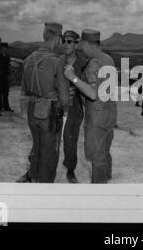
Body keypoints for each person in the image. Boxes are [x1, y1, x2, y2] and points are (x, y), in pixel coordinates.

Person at [63, 29, 116, 184]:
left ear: (87, 43)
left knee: (97, 158)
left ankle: (99, 191)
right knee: (105, 152)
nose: (81, 48)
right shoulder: (108, 59)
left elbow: (93, 94)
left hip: (97, 117)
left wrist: (73, 78)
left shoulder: (93, 63)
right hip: (110, 114)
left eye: (81, 44)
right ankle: (107, 177)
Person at [19, 22, 70, 183]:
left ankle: (33, 177)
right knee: (50, 153)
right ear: (57, 39)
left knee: (37, 147)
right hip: (50, 114)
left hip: (32, 112)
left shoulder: (28, 59)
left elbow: (24, 89)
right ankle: (45, 189)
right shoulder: (57, 62)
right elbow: (64, 99)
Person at [61, 30, 87, 183]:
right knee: (49, 137)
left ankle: (70, 169)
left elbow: (88, 86)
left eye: (69, 41)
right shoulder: (58, 60)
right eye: (64, 40)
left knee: (71, 139)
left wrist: (76, 87)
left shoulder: (83, 63)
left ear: (76, 43)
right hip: (56, 105)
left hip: (74, 107)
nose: (66, 44)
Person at [0, 42, 14, 112]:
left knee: (6, 92)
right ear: (2, 48)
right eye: (5, 47)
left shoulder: (7, 56)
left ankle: (6, 107)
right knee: (0, 92)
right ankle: (0, 107)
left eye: (7, 47)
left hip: (5, 75)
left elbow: (9, 64)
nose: (6, 49)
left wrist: (9, 69)